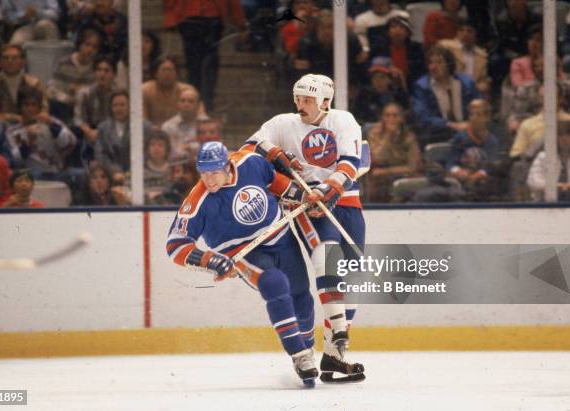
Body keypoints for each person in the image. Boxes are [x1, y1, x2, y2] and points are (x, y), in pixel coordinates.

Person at [244, 73, 366, 383]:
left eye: (308, 99)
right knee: (328, 259)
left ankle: (334, 356)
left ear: (326, 100)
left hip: (344, 201)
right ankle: (337, 334)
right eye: (298, 98)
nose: (300, 104)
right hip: (304, 205)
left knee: (352, 279)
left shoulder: (342, 120)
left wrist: (328, 190)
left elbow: (351, 163)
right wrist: (276, 156)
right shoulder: (282, 123)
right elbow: (249, 149)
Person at [166, 141, 319, 387]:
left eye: (214, 172)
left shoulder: (250, 162)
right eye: (203, 173)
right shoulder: (197, 201)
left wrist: (301, 194)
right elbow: (175, 245)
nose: (209, 180)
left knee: (302, 295)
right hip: (243, 253)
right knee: (274, 283)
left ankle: (307, 347)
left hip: (281, 238)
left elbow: (274, 181)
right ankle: (298, 354)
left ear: (228, 165)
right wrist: (210, 259)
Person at [367, 102, 421, 203]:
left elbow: (412, 167)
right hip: (379, 178)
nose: (391, 119)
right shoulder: (374, 133)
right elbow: (377, 158)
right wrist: (388, 136)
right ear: (382, 118)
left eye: (395, 115)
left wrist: (386, 171)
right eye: (387, 115)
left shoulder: (409, 137)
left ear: (401, 118)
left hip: (402, 175)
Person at [527, 121, 570, 202]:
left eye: (568, 135)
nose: (564, 138)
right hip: (544, 203)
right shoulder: (543, 157)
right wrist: (559, 186)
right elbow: (534, 182)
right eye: (560, 135)